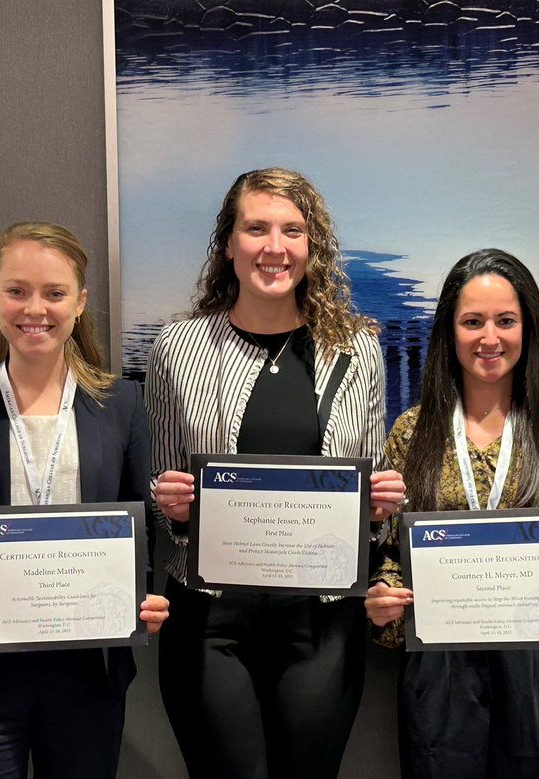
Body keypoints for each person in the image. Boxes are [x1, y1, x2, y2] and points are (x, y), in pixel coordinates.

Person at [147, 167, 406, 778]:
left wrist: (377, 503)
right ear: (228, 243)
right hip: (210, 618)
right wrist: (170, 501)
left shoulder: (357, 347)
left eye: (293, 230)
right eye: (256, 228)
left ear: (312, 247)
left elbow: (366, 485)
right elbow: (154, 482)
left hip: (320, 620)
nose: (274, 246)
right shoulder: (177, 347)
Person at [0, 222, 169, 779]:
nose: (36, 308)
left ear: (79, 303)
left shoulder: (121, 403)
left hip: (87, 669)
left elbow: (139, 526)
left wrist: (142, 594)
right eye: (17, 290)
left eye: (55, 293)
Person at [364, 249, 539, 779]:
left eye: (506, 321)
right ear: (448, 332)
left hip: (536, 665)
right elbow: (394, 551)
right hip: (439, 665)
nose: (490, 338)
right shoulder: (412, 433)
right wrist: (383, 599)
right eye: (472, 321)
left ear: (529, 327)